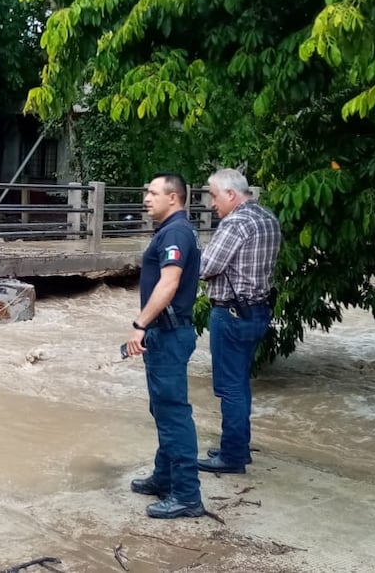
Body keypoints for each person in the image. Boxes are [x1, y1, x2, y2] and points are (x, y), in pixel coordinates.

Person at [125, 172, 205, 519]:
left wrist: (140, 325)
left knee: (173, 415)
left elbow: (169, 283)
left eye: (153, 192)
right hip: (168, 333)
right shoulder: (175, 230)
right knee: (164, 410)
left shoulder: (174, 232)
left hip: (169, 334)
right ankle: (165, 477)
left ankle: (187, 494)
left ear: (173, 198)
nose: (146, 197)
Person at [197, 168, 281, 474]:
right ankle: (236, 446)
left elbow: (206, 266)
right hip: (257, 311)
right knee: (239, 384)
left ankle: (232, 456)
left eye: (214, 195)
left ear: (231, 195)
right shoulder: (267, 217)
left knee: (230, 388)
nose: (211, 203)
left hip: (231, 314)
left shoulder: (235, 223)